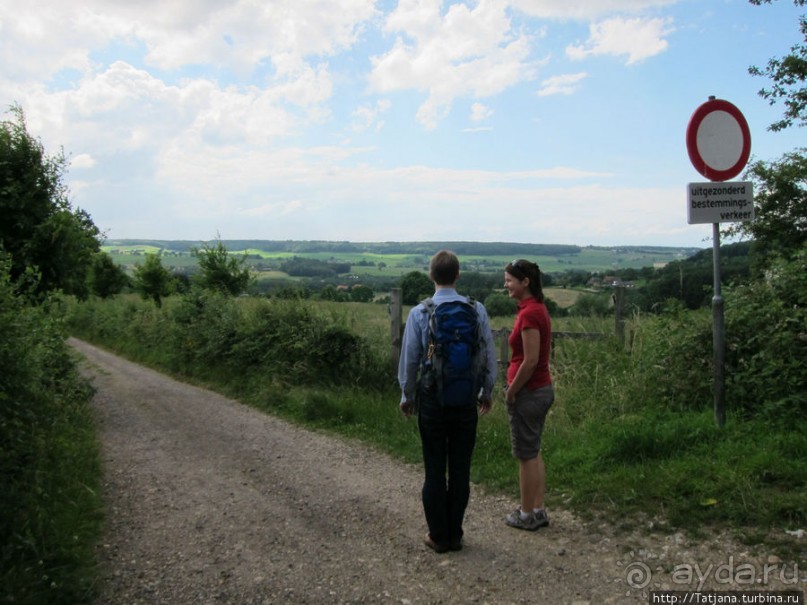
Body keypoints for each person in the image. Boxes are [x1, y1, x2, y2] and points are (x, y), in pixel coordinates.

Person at [398, 250, 498, 553]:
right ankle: (455, 534)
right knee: (460, 469)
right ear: (457, 276)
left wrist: (408, 395)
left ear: (432, 276)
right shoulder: (476, 309)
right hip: (466, 400)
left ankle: (438, 536)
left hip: (431, 401)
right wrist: (487, 392)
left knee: (434, 468)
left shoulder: (420, 312)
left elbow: (411, 359)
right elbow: (487, 355)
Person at [502, 259, 554, 531]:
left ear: (526, 282)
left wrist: (512, 391)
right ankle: (537, 509)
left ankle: (525, 515)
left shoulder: (530, 313)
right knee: (533, 452)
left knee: (525, 455)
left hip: (529, 393)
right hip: (539, 390)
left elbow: (530, 361)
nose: (506, 284)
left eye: (510, 280)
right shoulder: (535, 309)